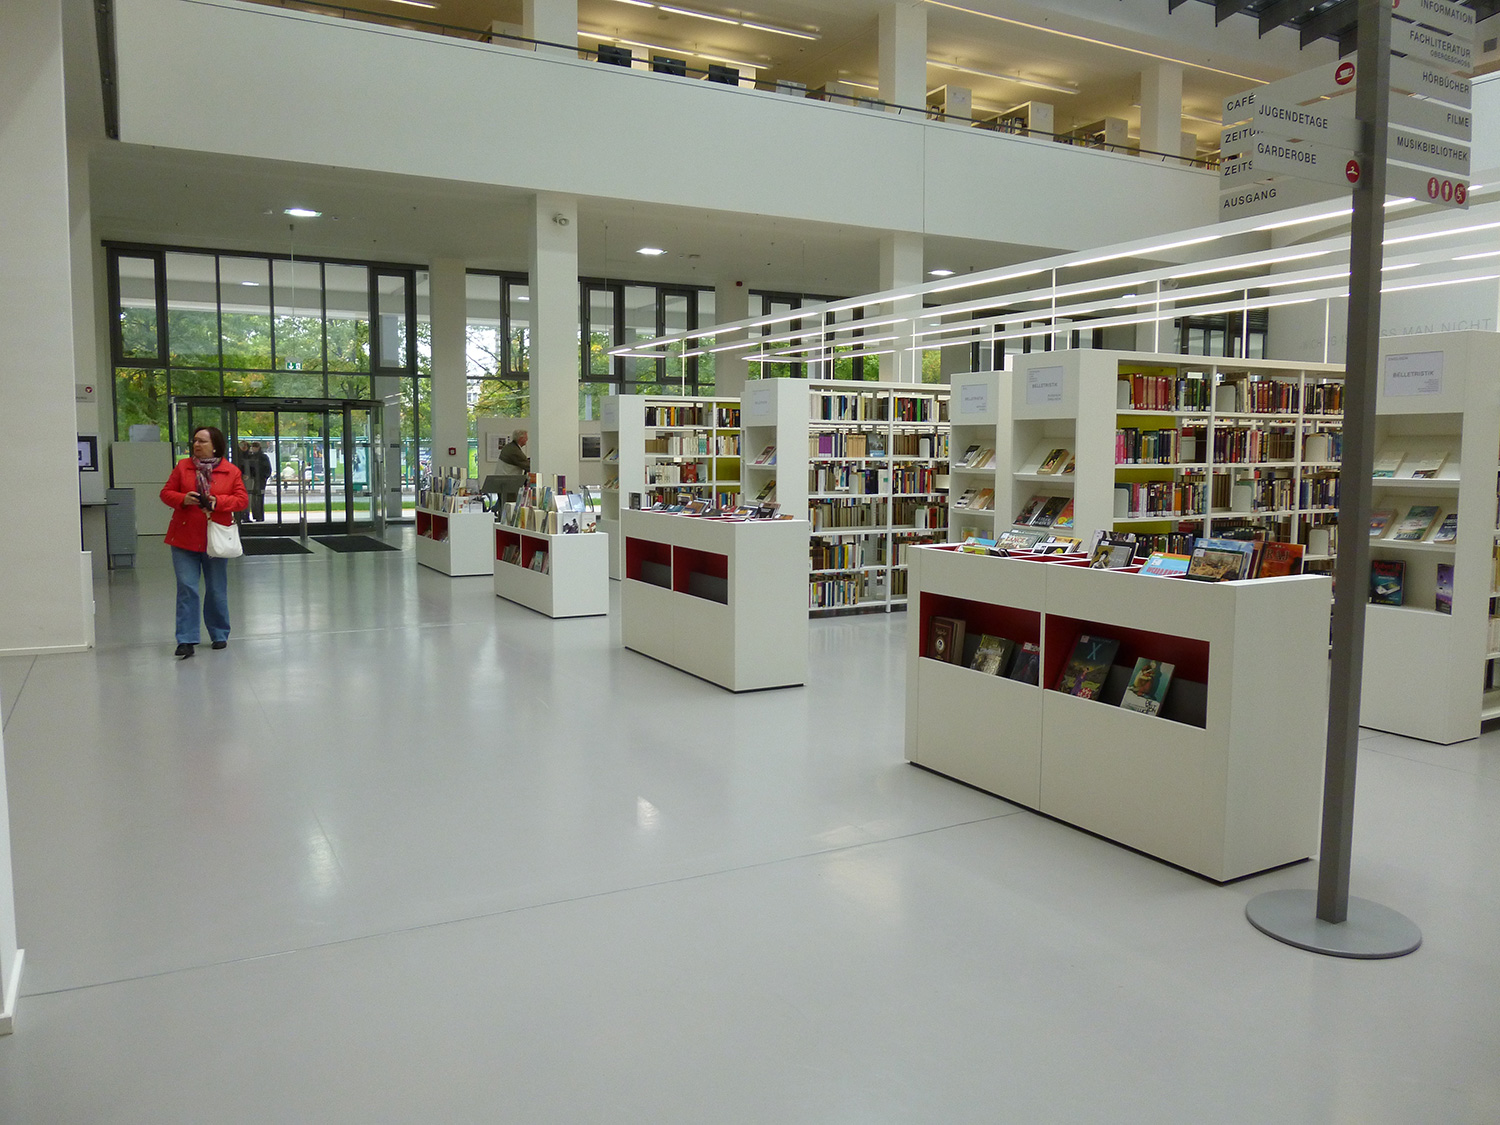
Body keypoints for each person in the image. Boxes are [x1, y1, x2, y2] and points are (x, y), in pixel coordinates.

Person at [161, 426, 248, 659]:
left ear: (215, 446)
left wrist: (218, 501)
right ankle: (186, 639)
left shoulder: (231, 471)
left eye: (202, 441)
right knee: (187, 588)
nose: (196, 445)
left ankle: (219, 633)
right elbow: (166, 493)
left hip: (215, 539)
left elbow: (241, 500)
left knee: (216, 589)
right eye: (195, 441)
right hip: (184, 538)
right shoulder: (183, 467)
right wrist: (183, 499)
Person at [247, 441, 272, 521]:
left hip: (259, 480)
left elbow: (267, 469)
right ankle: (257, 515)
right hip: (256, 479)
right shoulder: (258, 457)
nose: (253, 448)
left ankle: (259, 516)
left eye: (255, 447)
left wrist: (264, 477)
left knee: (258, 498)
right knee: (255, 498)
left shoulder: (261, 457)